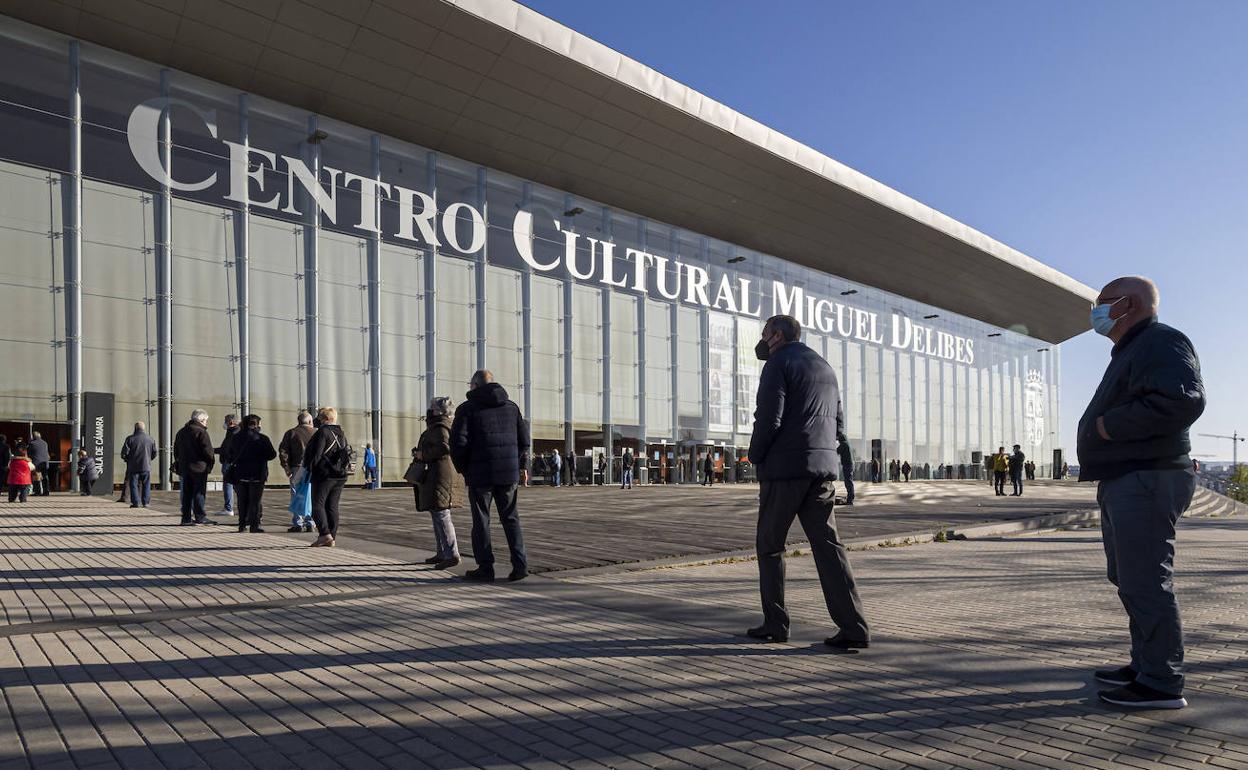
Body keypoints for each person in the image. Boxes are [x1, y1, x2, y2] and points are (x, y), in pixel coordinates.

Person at [1079, 276, 1205, 710]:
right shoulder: (1135, 347)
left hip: (1147, 478)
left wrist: (1107, 426)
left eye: (1101, 303)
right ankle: (1145, 663)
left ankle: (1160, 683)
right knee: (1131, 580)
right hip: (1128, 476)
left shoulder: (1161, 341)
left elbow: (1183, 400)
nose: (1095, 312)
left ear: (1126, 304)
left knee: (1147, 582)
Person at [746, 315, 869, 650]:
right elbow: (837, 423)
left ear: (776, 336)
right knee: (829, 548)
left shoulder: (776, 364)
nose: (761, 340)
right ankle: (854, 626)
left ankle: (775, 623)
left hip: (784, 471)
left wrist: (754, 455)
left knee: (770, 547)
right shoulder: (824, 367)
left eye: (764, 334)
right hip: (821, 471)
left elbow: (768, 417)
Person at [450, 369, 530, 582]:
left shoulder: (467, 409)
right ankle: (520, 565)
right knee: (511, 519)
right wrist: (517, 464)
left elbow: (458, 444)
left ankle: (486, 568)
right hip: (508, 475)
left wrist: (465, 469)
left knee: (481, 521)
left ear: (474, 386)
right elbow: (524, 442)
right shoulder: (512, 408)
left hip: (479, 476)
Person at [413, 396, 460, 569]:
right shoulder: (440, 426)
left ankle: (451, 553)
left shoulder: (440, 427)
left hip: (439, 475)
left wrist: (423, 455)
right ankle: (443, 552)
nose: (429, 411)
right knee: (437, 513)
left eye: (431, 408)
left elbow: (444, 447)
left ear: (438, 412)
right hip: (437, 474)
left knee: (441, 514)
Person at [303, 406, 352, 547]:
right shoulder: (341, 433)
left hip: (324, 475)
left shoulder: (322, 433)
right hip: (340, 474)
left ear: (325, 419)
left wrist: (308, 469)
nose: (316, 420)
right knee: (332, 506)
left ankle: (324, 534)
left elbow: (316, 455)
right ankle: (332, 536)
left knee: (317, 505)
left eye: (319, 417)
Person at [223, 414, 277, 533]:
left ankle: (242, 525)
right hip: (257, 474)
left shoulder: (236, 437)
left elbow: (229, 454)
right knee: (255, 501)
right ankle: (254, 525)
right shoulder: (262, 438)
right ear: (256, 424)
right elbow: (272, 454)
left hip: (240, 473)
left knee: (242, 500)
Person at [173, 410, 218, 525]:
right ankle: (200, 516)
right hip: (199, 468)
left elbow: (176, 451)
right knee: (199, 493)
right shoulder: (201, 432)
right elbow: (208, 451)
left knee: (186, 494)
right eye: (206, 421)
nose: (206, 423)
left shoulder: (181, 432)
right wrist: (210, 464)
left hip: (185, 468)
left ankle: (186, 518)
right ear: (201, 420)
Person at [279, 412, 316, 532]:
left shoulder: (291, 433)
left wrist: (286, 468)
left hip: (297, 467)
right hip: (314, 468)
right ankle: (311, 522)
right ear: (310, 422)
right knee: (312, 494)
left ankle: (298, 523)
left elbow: (283, 451)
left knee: (296, 495)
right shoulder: (317, 433)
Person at [120, 421, 157, 508]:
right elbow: (154, 453)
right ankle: (146, 502)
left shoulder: (130, 439)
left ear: (135, 428)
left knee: (133, 485)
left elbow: (124, 453)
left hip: (133, 466)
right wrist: (148, 459)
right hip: (146, 466)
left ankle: (135, 502)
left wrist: (127, 460)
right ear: (143, 428)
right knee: (146, 485)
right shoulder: (150, 439)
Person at [214, 414, 240, 516]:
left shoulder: (232, 433)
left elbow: (226, 449)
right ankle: (241, 507)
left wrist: (212, 450)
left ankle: (228, 508)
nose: (224, 423)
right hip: (233, 462)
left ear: (231, 422)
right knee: (237, 486)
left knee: (228, 485)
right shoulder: (236, 432)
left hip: (229, 462)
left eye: (225, 421)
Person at [27, 431, 50, 496]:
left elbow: (28, 453)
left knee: (36, 477)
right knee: (45, 477)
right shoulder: (45, 443)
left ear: (33, 437)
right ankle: (46, 491)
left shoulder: (32, 443)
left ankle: (37, 491)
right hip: (44, 463)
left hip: (36, 463)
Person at [836, 434, 855, 506]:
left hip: (847, 465)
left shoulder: (844, 444)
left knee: (848, 482)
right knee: (849, 481)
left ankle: (850, 499)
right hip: (849, 464)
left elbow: (836, 451)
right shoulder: (847, 444)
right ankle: (850, 499)